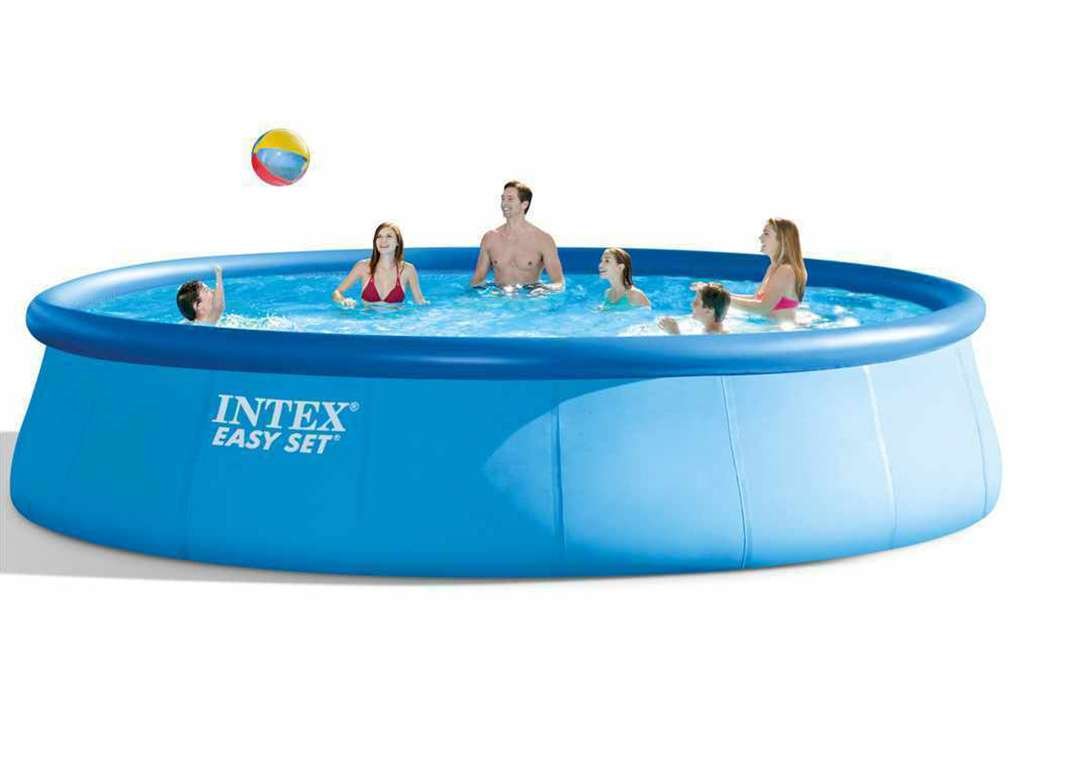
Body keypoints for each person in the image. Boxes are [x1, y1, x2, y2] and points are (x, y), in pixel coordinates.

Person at [470, 180, 565, 292]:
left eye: (510, 199)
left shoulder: (543, 240)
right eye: (503, 199)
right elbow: (477, 280)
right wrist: (487, 294)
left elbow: (558, 283)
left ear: (524, 204)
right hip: (499, 297)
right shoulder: (490, 238)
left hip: (529, 298)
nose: (504, 204)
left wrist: (543, 290)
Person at [726, 218, 807, 321]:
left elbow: (763, 307)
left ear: (782, 240)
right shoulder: (773, 268)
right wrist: (722, 294)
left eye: (766, 234)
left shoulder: (786, 270)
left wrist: (723, 300)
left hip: (779, 330)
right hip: (772, 327)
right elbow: (756, 299)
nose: (760, 238)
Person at [332, 222, 427, 307]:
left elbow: (420, 301)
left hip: (396, 320)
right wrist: (343, 301)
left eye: (389, 236)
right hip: (367, 319)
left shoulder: (407, 270)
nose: (383, 240)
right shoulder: (363, 267)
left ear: (398, 242)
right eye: (379, 236)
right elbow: (337, 292)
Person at [657, 283, 730, 335]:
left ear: (708, 310)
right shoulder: (716, 331)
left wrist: (674, 333)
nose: (691, 305)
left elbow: (687, 353)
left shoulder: (712, 337)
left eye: (696, 303)